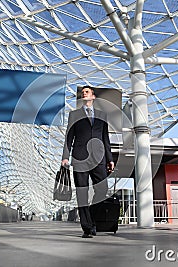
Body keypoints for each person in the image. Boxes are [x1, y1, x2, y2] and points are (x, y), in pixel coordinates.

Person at [62, 85, 114, 238]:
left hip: (99, 157)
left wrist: (110, 159)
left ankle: (89, 217)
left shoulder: (102, 115)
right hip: (79, 158)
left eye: (87, 92)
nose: (84, 94)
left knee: (102, 189)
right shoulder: (74, 115)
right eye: (82, 92)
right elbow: (69, 136)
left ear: (93, 96)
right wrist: (65, 156)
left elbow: (106, 138)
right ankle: (87, 227)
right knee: (82, 193)